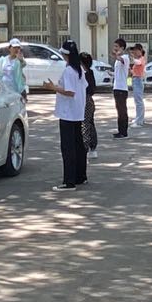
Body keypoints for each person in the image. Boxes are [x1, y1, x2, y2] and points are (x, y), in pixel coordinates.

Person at [43, 39, 87, 190]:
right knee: (78, 145)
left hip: (68, 113)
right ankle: (80, 176)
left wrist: (53, 87)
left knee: (68, 148)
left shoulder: (69, 71)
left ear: (64, 54)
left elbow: (70, 92)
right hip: (77, 112)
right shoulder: (79, 69)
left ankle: (69, 181)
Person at [109, 37, 131, 138]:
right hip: (116, 87)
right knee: (119, 110)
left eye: (117, 46)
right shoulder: (117, 61)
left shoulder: (125, 58)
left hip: (122, 88)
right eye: (114, 46)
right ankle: (120, 130)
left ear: (122, 48)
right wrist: (112, 74)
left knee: (122, 111)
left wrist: (115, 54)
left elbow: (119, 58)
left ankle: (123, 132)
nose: (115, 48)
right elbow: (119, 72)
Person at [80, 51, 99, 158]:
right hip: (89, 100)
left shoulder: (83, 73)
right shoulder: (89, 72)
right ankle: (92, 147)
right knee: (89, 123)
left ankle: (86, 147)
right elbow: (93, 88)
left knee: (85, 124)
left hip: (85, 100)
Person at [129, 44, 147, 126]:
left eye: (136, 50)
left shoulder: (141, 59)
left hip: (138, 80)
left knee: (139, 101)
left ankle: (139, 121)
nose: (135, 52)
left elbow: (138, 62)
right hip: (135, 79)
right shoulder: (137, 59)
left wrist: (132, 58)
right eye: (134, 50)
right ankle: (138, 118)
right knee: (137, 101)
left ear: (140, 51)